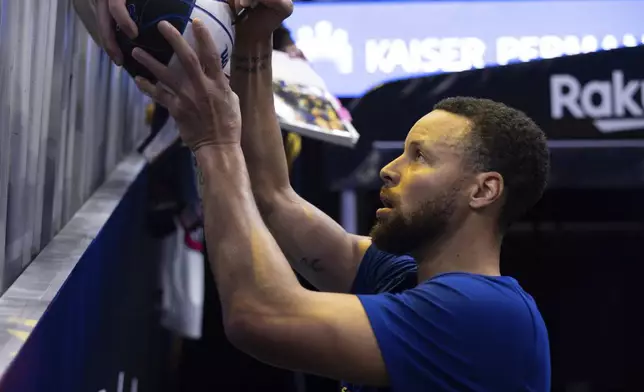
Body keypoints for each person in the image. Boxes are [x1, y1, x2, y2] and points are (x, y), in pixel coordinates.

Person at [102, 1, 552, 391]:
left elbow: (260, 315)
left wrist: (216, 146)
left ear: (484, 190)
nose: (389, 170)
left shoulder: (488, 316)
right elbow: (271, 196)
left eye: (419, 157)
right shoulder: (402, 278)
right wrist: (258, 35)